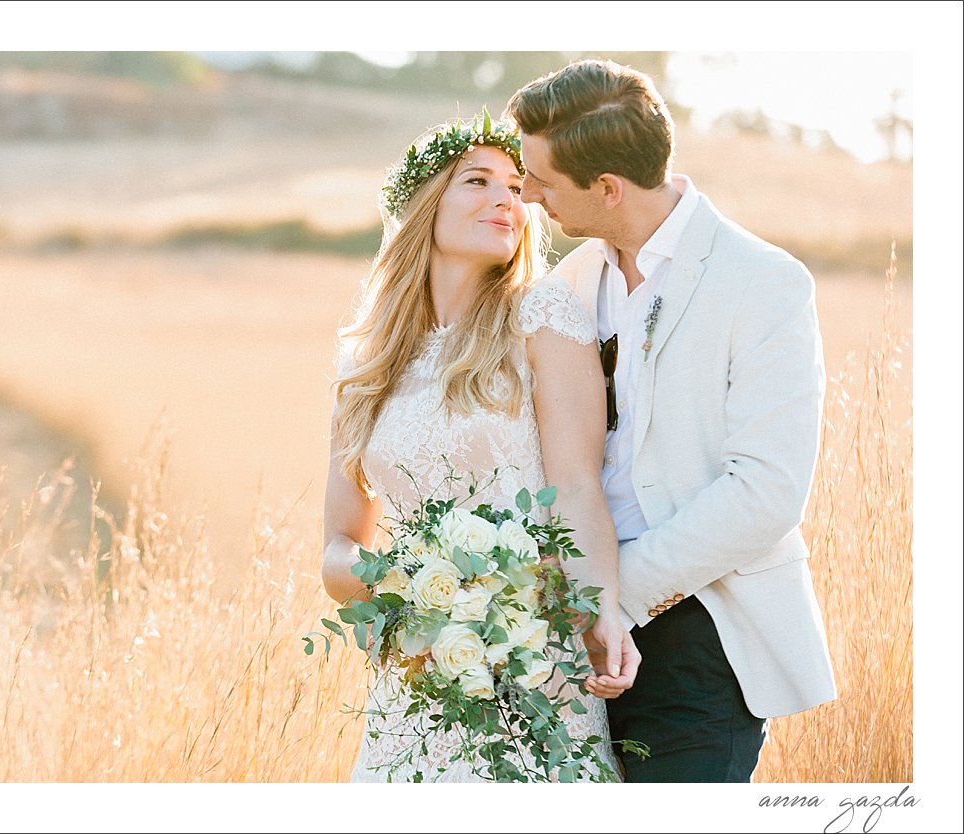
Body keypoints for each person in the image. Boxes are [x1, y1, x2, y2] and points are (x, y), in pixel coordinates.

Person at [506, 59, 838, 783]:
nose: (525, 193)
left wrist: (615, 595)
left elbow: (768, 491)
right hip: (568, 635)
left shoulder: (764, 283)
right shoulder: (562, 290)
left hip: (703, 633)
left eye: (541, 180)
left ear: (607, 189)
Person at [320, 111, 639, 782]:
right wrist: (411, 591)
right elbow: (339, 548)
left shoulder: (543, 319)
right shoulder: (365, 359)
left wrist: (603, 607)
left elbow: (578, 486)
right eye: (478, 180)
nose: (507, 198)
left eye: (515, 186)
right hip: (414, 682)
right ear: (422, 204)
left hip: (533, 660)